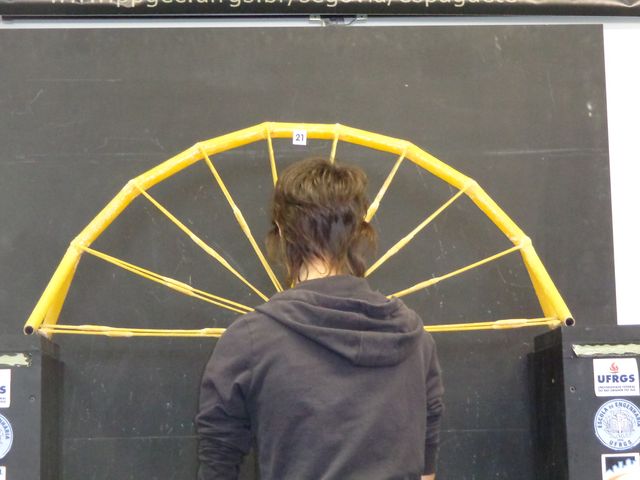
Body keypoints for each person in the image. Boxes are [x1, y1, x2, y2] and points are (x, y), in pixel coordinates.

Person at [196, 157, 444, 480]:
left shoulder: (250, 341)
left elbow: (217, 463)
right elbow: (426, 471)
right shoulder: (415, 339)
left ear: (282, 232)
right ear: (358, 232)